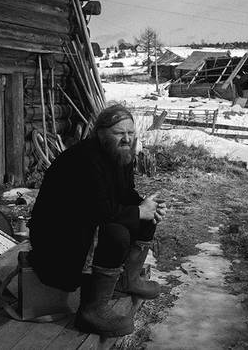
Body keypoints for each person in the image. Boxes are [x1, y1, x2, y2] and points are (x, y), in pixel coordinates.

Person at [28, 105, 167, 337]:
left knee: (146, 217)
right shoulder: (84, 159)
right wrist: (138, 211)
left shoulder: (121, 154)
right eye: (119, 133)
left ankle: (127, 281)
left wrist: (148, 206)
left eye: (131, 133)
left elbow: (125, 193)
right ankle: (91, 310)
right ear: (101, 133)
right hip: (58, 239)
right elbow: (98, 211)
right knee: (116, 233)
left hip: (85, 226)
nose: (126, 139)